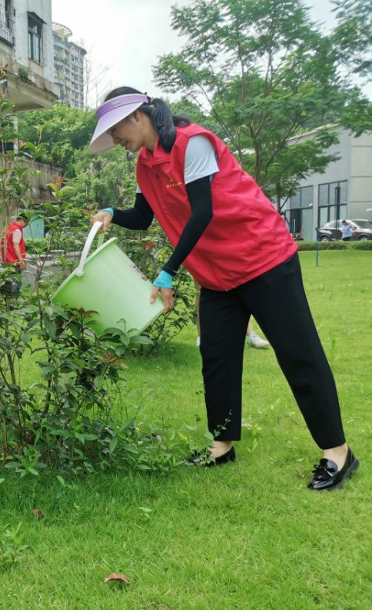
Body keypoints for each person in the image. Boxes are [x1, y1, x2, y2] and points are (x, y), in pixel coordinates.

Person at [87, 87, 358, 490]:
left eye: (116, 131)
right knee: (217, 360)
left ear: (138, 116)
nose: (116, 142)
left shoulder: (191, 142)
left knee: (298, 352)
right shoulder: (145, 165)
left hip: (263, 258)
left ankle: (337, 453)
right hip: (217, 275)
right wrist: (113, 212)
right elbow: (144, 217)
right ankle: (223, 446)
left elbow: (203, 211)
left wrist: (168, 272)